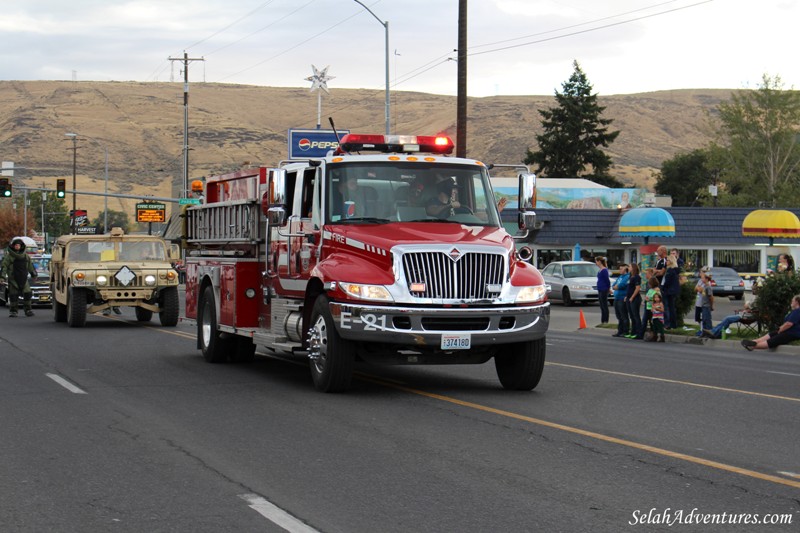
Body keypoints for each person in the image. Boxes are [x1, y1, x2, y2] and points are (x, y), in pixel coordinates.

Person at [1, 238, 37, 317]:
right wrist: (2, 277)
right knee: (13, 296)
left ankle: (28, 310)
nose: (17, 247)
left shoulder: (25, 256)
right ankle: (13, 311)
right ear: (13, 246)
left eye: (19, 245)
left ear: (21, 246)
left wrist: (34, 274)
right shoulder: (9, 256)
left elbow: (30, 266)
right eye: (16, 245)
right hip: (13, 279)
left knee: (27, 294)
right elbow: (4, 267)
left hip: (23, 278)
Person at [662, 254, 681, 329]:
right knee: (672, 307)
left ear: (671, 261)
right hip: (673, 291)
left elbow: (667, 282)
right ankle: (673, 324)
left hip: (668, 291)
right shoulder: (675, 271)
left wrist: (663, 288)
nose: (666, 261)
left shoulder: (670, 271)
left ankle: (667, 323)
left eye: (668, 260)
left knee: (667, 307)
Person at [611, 264, 630, 337]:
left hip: (622, 298)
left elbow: (622, 285)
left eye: (621, 269)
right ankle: (620, 330)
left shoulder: (627, 277)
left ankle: (625, 331)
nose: (620, 270)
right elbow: (614, 285)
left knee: (623, 315)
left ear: (625, 269)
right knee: (618, 315)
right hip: (617, 298)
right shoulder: (620, 277)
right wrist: (615, 287)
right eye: (619, 269)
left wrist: (617, 287)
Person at [625, 263, 642, 338]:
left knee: (636, 316)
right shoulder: (630, 276)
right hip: (629, 297)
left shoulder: (636, 277)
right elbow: (629, 288)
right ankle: (633, 332)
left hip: (635, 298)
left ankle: (639, 333)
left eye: (629, 266)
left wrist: (632, 297)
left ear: (633, 268)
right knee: (631, 316)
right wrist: (627, 296)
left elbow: (637, 288)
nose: (628, 268)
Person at [595, 256, 611, 324]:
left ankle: (605, 320)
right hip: (600, 288)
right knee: (601, 305)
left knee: (604, 305)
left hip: (604, 289)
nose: (596, 263)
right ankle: (602, 320)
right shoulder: (600, 270)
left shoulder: (604, 270)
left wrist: (608, 288)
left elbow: (607, 280)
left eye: (596, 261)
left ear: (599, 261)